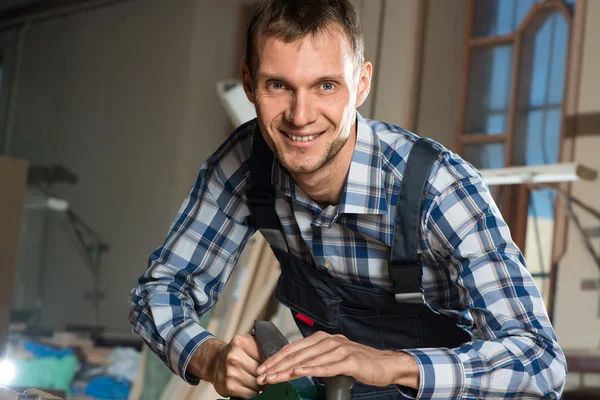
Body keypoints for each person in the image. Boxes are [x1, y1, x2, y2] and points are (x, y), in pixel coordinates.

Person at [129, 0, 567, 398]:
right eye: (278, 85)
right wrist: (211, 356)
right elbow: (159, 291)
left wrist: (389, 363)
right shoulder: (245, 163)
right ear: (248, 83)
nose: (300, 117)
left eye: (325, 86)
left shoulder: (440, 188)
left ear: (361, 84)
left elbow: (540, 362)